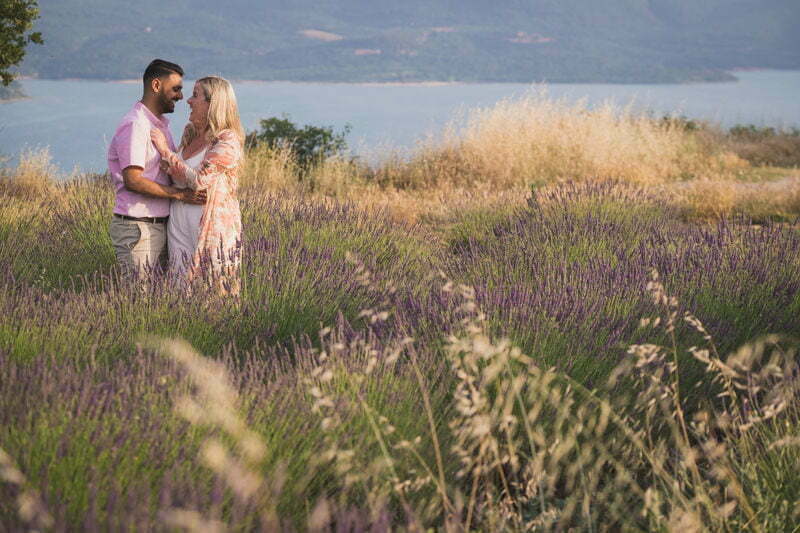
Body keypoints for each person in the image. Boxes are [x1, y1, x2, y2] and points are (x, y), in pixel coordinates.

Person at [107, 59, 206, 279]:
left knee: (158, 301)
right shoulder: (136, 125)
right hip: (139, 229)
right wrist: (180, 195)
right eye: (176, 89)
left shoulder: (159, 126)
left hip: (158, 227)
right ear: (156, 86)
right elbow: (133, 180)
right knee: (140, 302)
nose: (181, 96)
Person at [150, 76, 244, 296]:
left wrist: (166, 152)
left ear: (213, 103)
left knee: (215, 295)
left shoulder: (227, 140)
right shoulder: (190, 133)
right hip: (179, 225)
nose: (188, 101)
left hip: (212, 231)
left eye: (195, 96)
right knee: (180, 294)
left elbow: (201, 181)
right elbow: (173, 171)